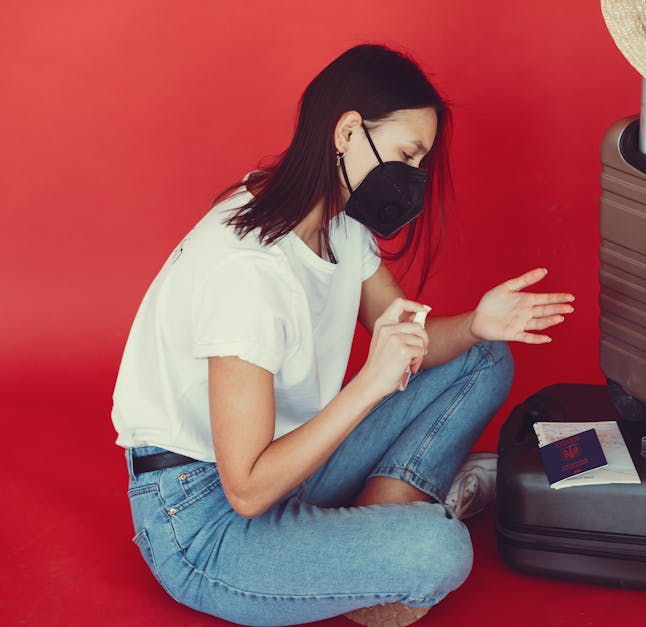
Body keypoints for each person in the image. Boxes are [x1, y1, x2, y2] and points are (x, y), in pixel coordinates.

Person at [111, 44, 575, 627]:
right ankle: (391, 536)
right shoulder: (247, 275)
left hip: (291, 460)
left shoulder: (332, 218)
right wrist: (369, 385)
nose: (413, 178)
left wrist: (479, 322)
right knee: (441, 552)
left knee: (484, 355)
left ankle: (370, 531)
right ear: (349, 132)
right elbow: (248, 490)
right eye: (407, 155)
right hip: (202, 519)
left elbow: (411, 336)